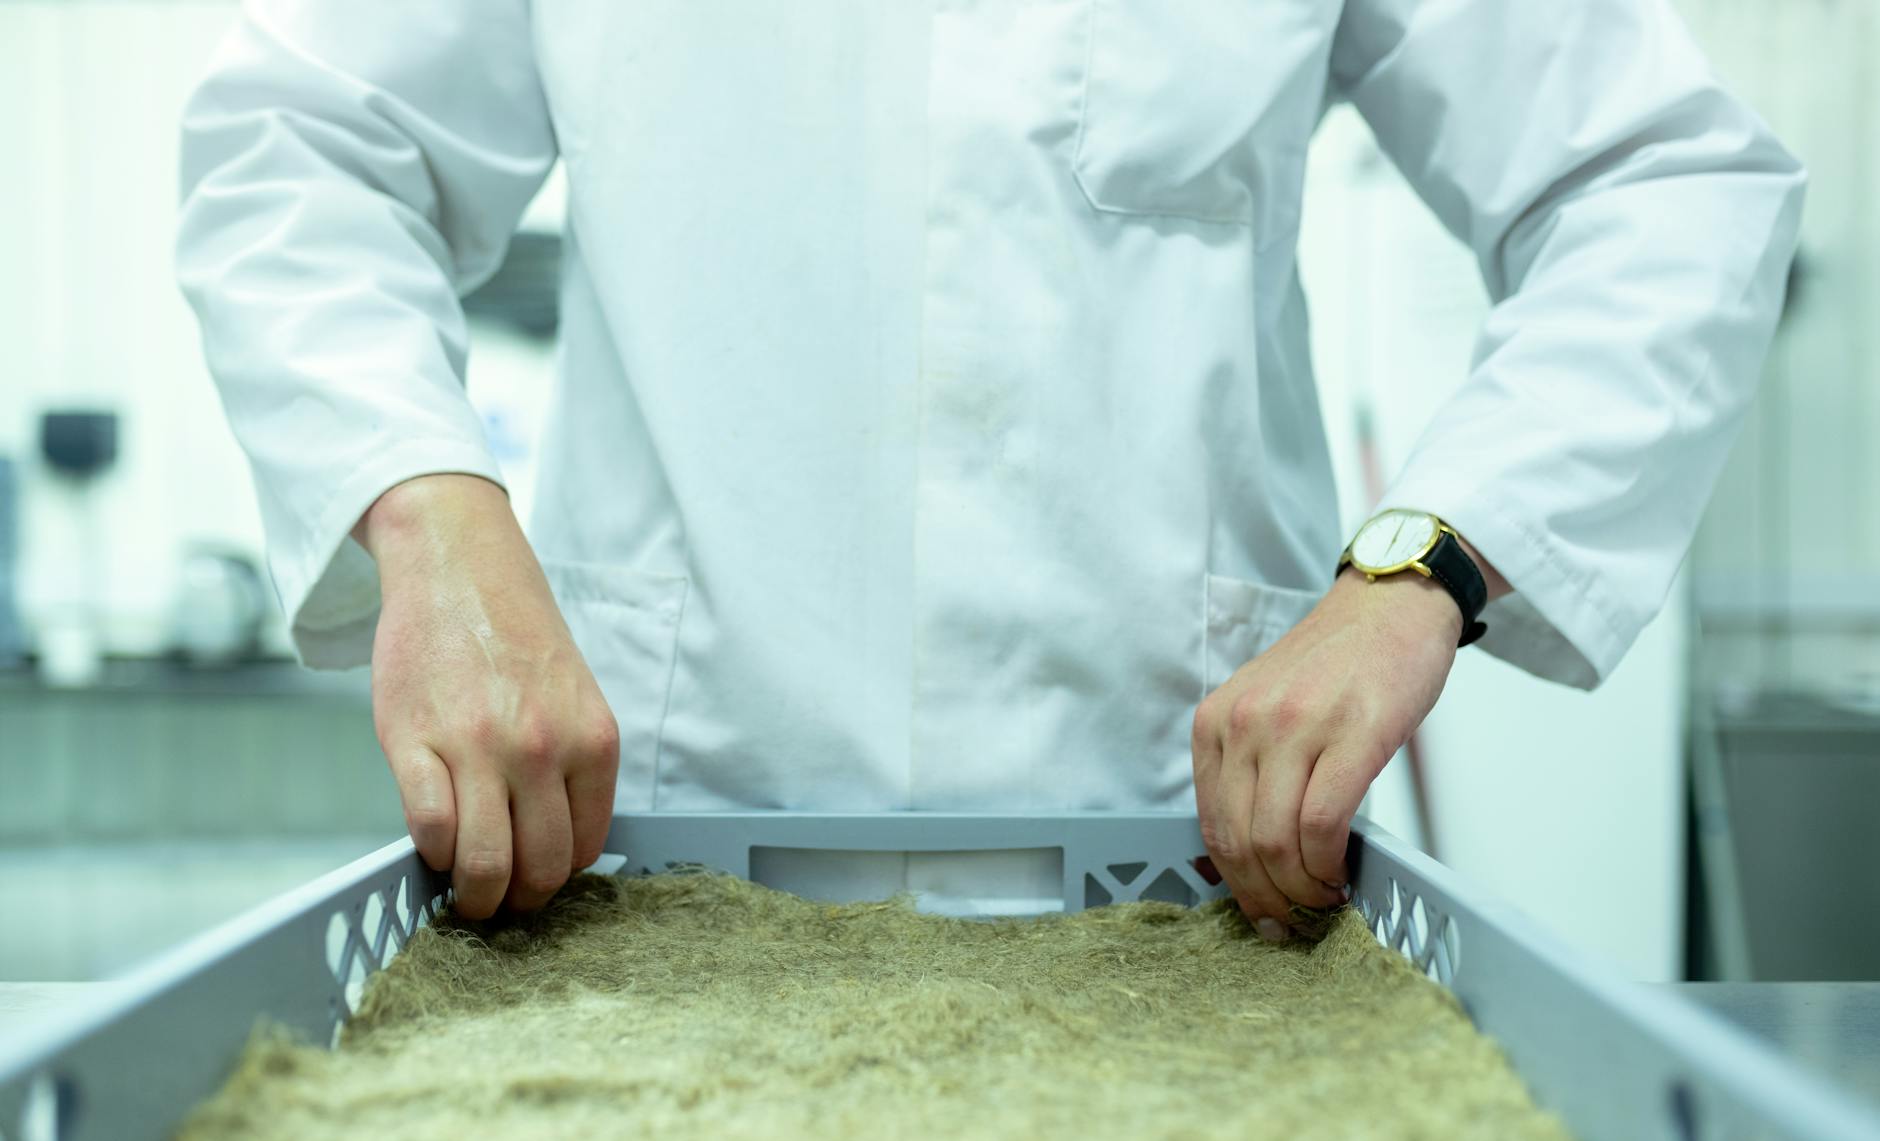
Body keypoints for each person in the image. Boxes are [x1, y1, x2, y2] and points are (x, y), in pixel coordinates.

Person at [176, 2, 1802, 935]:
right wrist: (433, 514)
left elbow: (1663, 185)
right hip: (655, 868)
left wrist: (1420, 567)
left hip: (1191, 878)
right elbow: (305, 142)